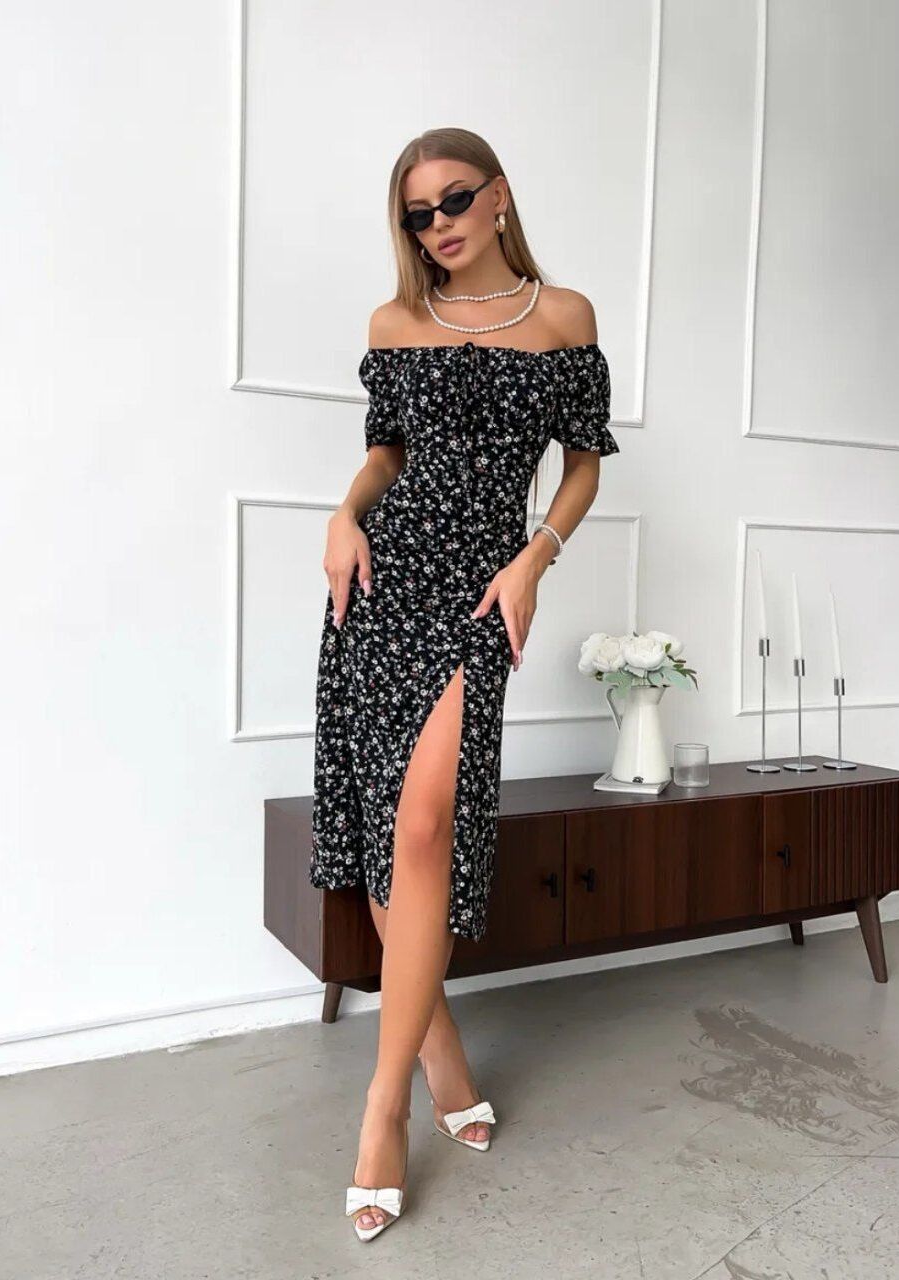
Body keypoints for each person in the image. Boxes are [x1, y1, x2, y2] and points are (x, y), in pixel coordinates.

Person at [308, 127, 621, 1242]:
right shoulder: (394, 324)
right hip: (382, 577)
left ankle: (380, 1105)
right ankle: (432, 1061)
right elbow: (385, 453)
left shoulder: (564, 316)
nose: (435, 224)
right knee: (396, 831)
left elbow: (582, 462)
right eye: (415, 213)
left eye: (452, 200)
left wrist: (535, 556)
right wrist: (344, 515)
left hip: (483, 587)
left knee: (426, 823)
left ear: (498, 196)